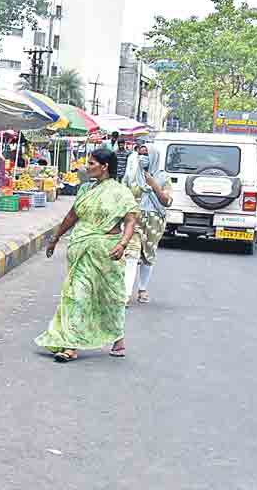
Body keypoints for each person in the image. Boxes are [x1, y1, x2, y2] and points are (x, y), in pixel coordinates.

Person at [36, 148, 138, 362]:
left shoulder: (121, 192)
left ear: (104, 166)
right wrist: (55, 237)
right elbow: (72, 215)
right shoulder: (84, 190)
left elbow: (130, 221)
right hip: (81, 250)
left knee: (109, 297)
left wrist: (123, 243)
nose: (87, 167)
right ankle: (71, 344)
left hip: (107, 252)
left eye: (91, 163)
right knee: (77, 295)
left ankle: (117, 337)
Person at [121, 143, 171, 305]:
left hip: (154, 220)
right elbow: (123, 194)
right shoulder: (132, 175)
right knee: (131, 254)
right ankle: (126, 294)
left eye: (146, 155)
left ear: (154, 157)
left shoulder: (164, 177)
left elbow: (167, 201)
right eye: (140, 155)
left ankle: (142, 289)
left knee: (148, 256)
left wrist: (153, 184)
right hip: (134, 218)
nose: (142, 158)